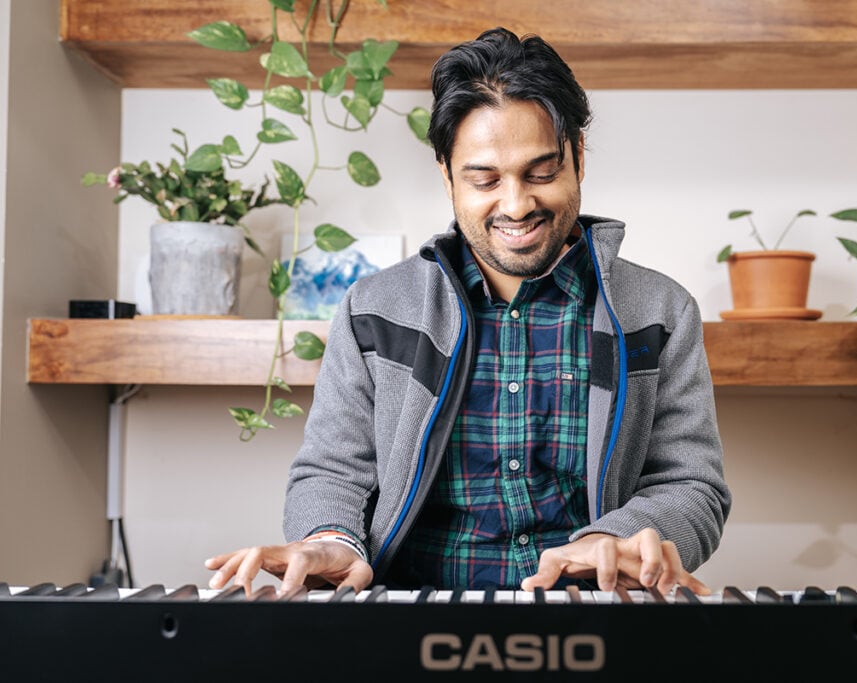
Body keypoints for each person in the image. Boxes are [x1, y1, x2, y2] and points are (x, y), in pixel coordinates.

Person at [206, 26, 731, 597]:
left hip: (590, 611)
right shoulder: (371, 311)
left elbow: (691, 485)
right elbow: (333, 470)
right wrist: (331, 538)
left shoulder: (660, 311)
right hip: (412, 618)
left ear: (578, 156)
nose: (517, 205)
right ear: (446, 174)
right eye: (484, 179)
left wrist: (615, 538)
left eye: (541, 173)